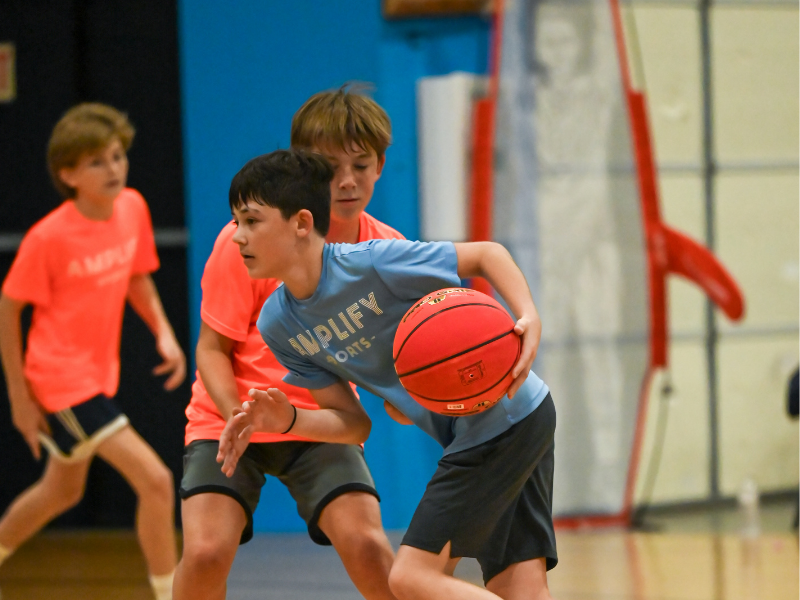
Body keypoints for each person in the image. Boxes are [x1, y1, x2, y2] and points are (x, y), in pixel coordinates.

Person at [218, 149, 558, 600]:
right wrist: (287, 421)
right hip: (494, 425)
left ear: (301, 222)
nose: (236, 236)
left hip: (505, 415)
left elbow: (486, 254)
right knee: (520, 587)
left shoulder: (372, 263)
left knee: (410, 578)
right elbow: (354, 424)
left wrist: (528, 314)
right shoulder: (279, 325)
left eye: (250, 221)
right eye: (235, 222)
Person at [173, 86, 404, 600]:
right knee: (206, 553)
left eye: (361, 165)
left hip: (320, 421)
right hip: (229, 416)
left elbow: (398, 357)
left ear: (381, 166)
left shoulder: (388, 252)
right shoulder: (248, 239)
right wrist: (238, 418)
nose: (347, 181)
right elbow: (211, 348)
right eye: (330, 167)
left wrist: (414, 396)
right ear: (304, 169)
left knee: (368, 545)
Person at [0, 103, 186, 600]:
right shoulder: (48, 237)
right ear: (68, 175)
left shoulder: (132, 207)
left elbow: (138, 276)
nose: (113, 169)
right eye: (97, 162)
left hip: (99, 375)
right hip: (60, 380)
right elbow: (8, 307)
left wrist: (164, 333)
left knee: (60, 492)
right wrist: (20, 398)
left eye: (118, 156)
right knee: (156, 481)